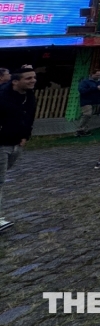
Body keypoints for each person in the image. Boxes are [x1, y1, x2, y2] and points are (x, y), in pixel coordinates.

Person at [0, 65, 38, 232]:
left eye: (34, 77)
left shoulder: (29, 96)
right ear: (15, 81)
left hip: (17, 143)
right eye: (28, 78)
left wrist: (25, 137)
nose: (33, 81)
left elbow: (29, 117)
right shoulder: (2, 96)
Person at [75, 69, 100, 137]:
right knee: (87, 114)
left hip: (97, 101)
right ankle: (80, 130)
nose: (99, 77)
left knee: (90, 116)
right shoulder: (85, 82)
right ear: (92, 74)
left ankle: (85, 130)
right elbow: (82, 91)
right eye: (97, 75)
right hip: (86, 101)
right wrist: (95, 88)